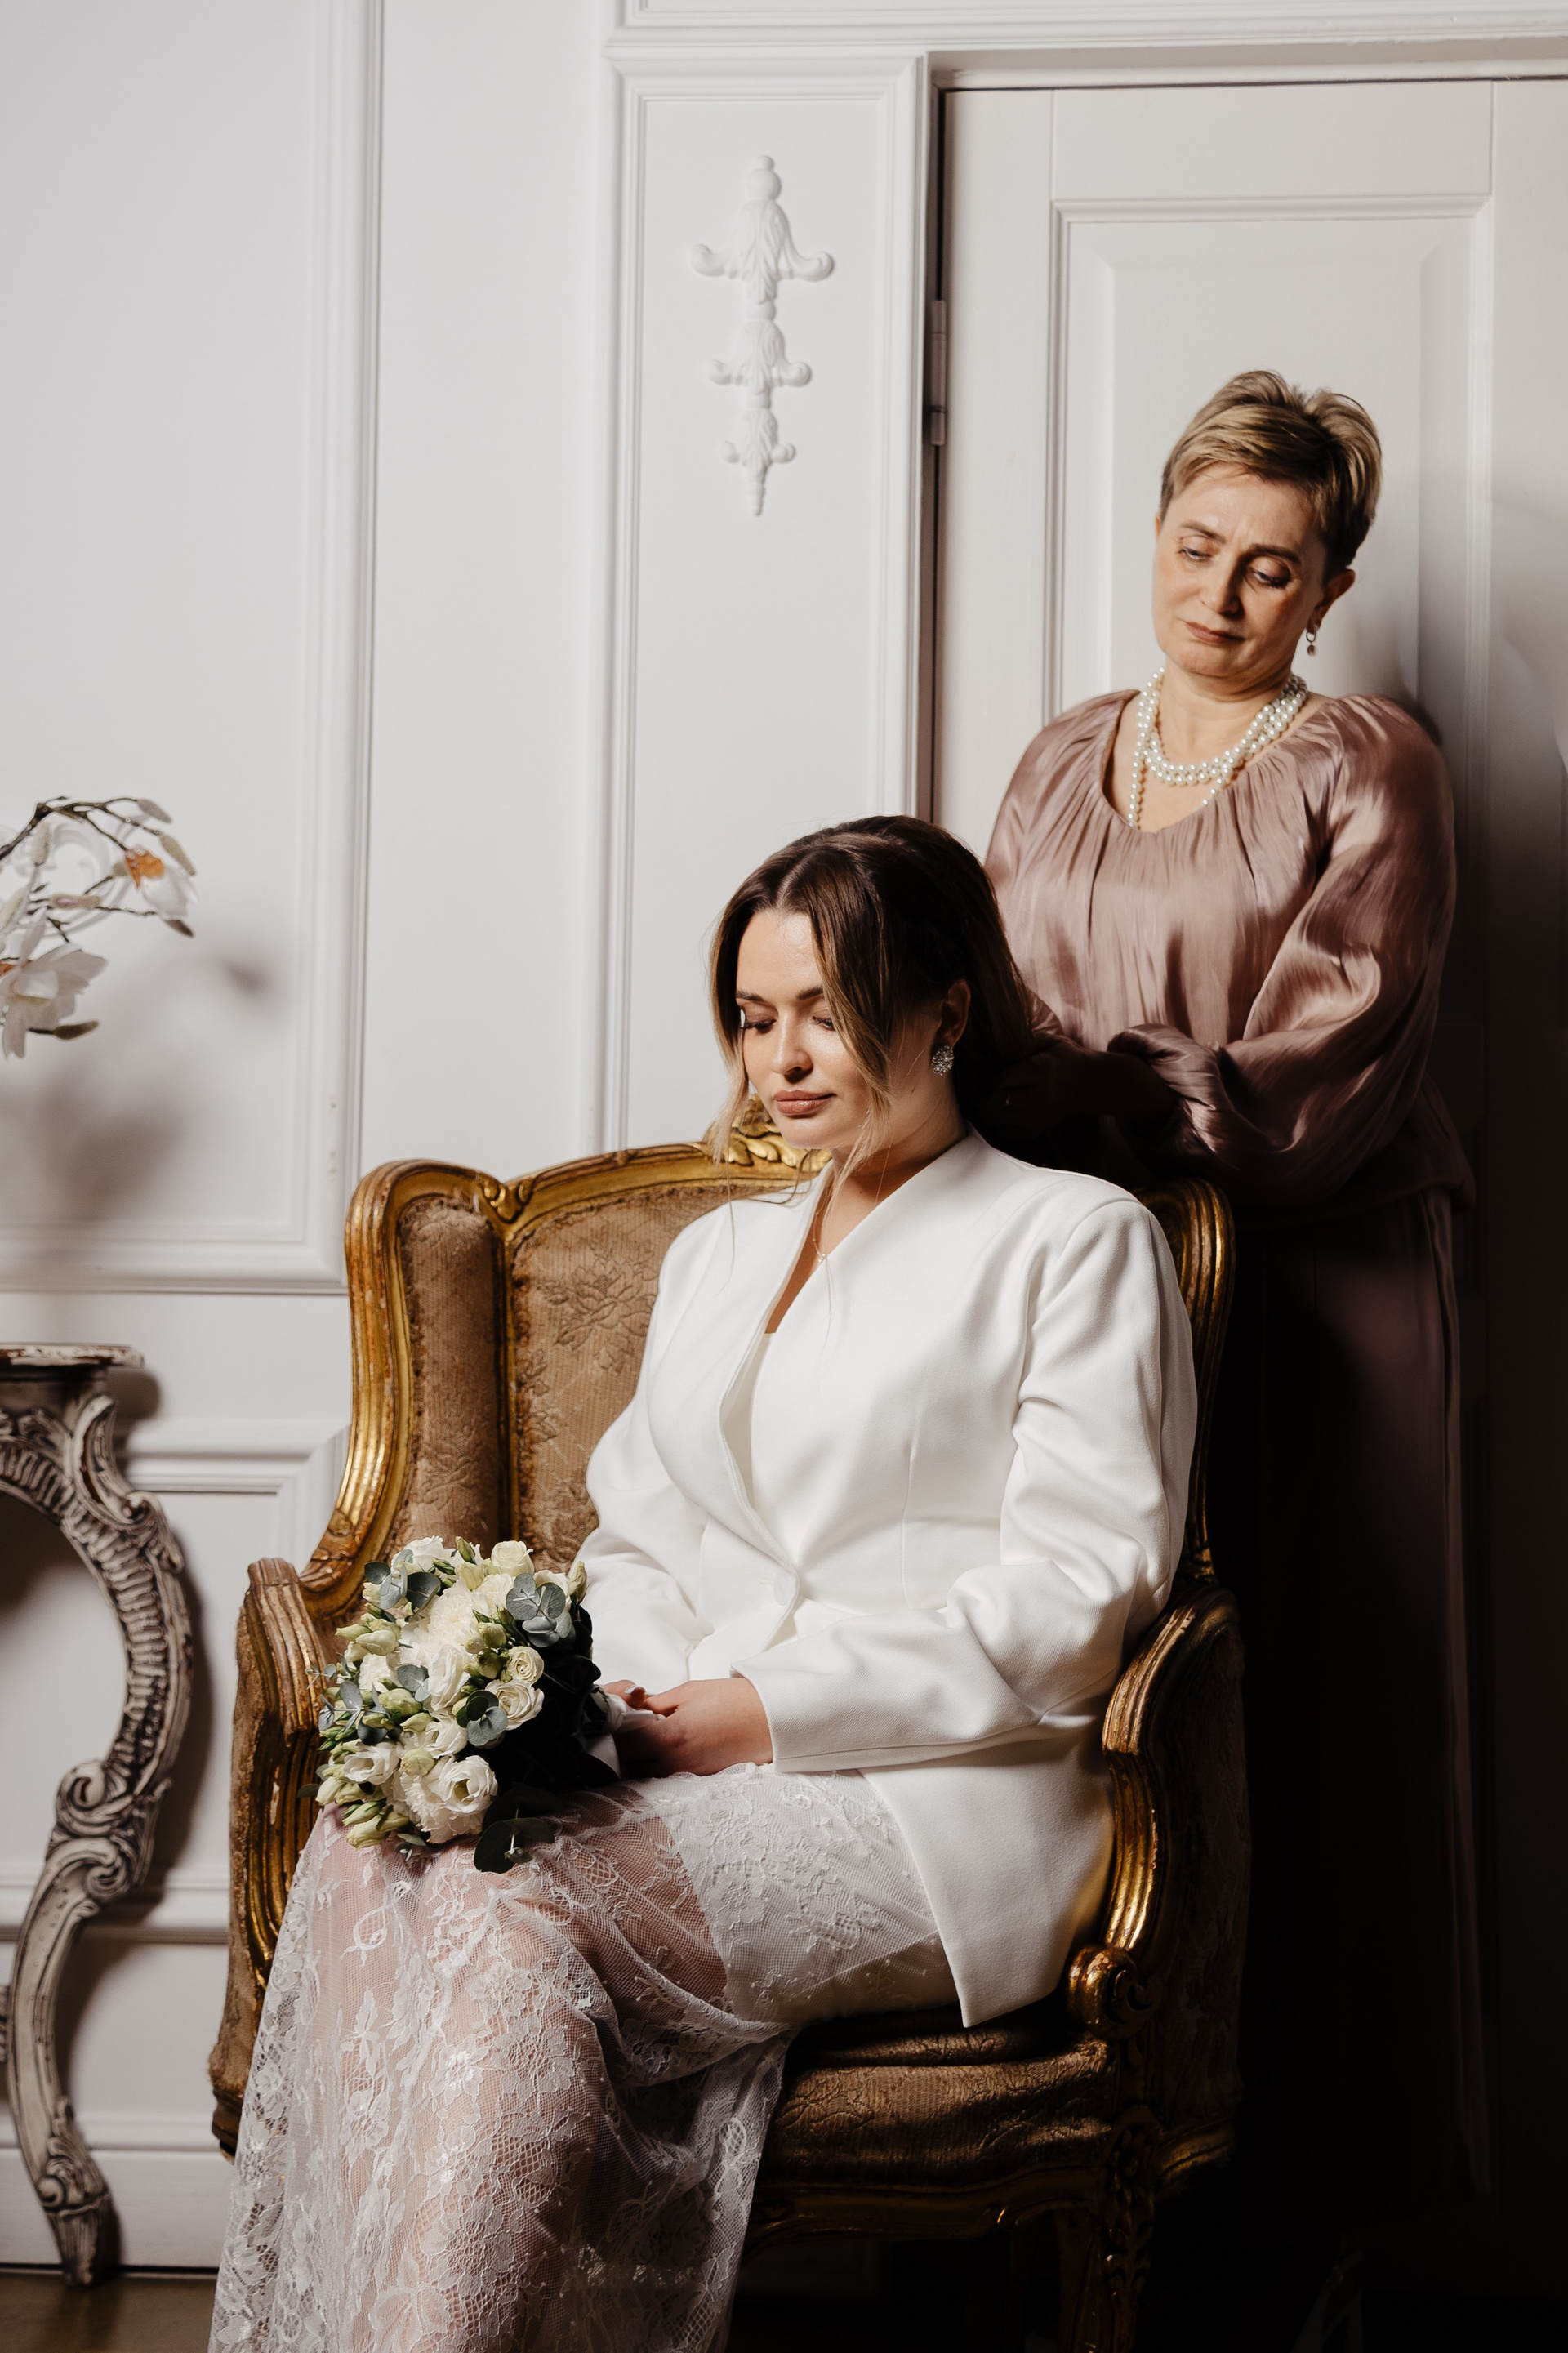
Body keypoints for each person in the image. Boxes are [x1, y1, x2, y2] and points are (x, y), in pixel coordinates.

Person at [209, 817, 1196, 2353]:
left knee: (506, 1902)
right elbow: (643, 1540)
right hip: (683, 1753)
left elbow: (1084, 1594)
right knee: (378, 1848)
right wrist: (604, 1703)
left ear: (946, 1008)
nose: (779, 1059)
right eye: (752, 1016)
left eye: (825, 1012)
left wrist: (764, 1708)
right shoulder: (719, 1254)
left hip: (940, 1798)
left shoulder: (1073, 1237)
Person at [980, 372, 1488, 2274]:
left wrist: (1096, 1090)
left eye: (1270, 568)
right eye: (1196, 547)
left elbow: (1330, 1064)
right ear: (1157, 534)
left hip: (1329, 1273)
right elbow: (997, 1020)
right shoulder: (1057, 759)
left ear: (1329, 589)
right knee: (1101, 1692)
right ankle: (1091, 2187)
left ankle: (1306, 2236)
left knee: (1322, 1708)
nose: (1219, 595)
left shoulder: (1374, 763)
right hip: (1095, 1271)